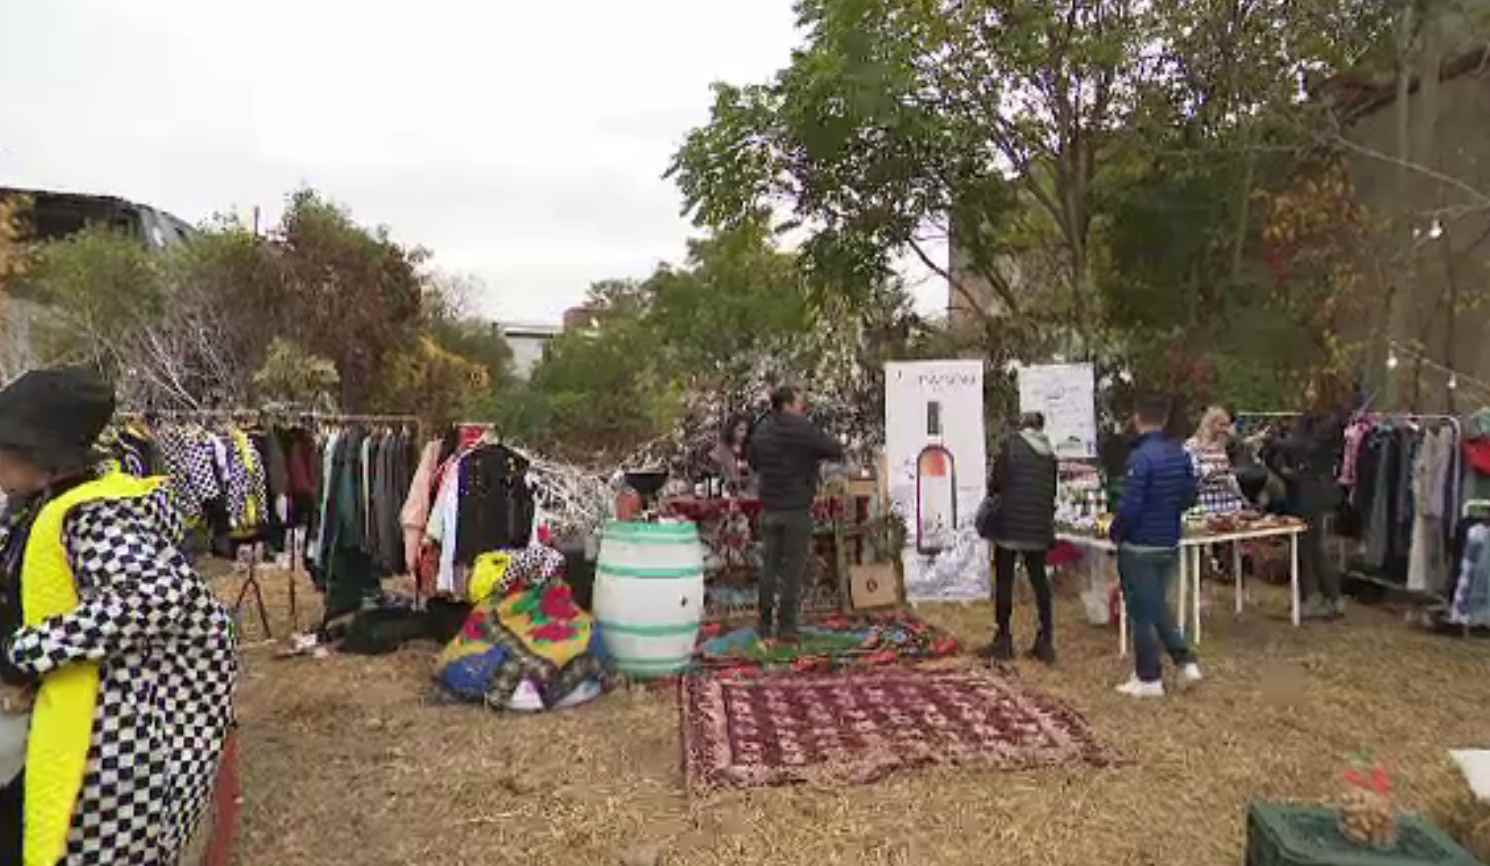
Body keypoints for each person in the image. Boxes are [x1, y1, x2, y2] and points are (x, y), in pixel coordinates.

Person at [0, 368, 238, 866]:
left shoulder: (93, 515)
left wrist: (24, 653)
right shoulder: (43, 505)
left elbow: (158, 594)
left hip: (99, 750)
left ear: (39, 452)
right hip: (63, 727)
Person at [1109, 397, 1202, 698]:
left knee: (1141, 613)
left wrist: (1116, 531)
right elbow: (1190, 496)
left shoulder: (1140, 457)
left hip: (1140, 545)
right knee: (1158, 607)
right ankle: (1185, 661)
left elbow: (1131, 505)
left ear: (1138, 419)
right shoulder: (1179, 453)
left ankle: (1149, 677)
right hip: (1168, 540)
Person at [748, 386, 844, 644]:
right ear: (789, 404)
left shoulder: (762, 428)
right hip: (796, 509)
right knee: (792, 569)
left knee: (768, 568)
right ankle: (787, 628)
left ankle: (764, 625)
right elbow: (834, 449)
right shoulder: (801, 428)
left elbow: (753, 462)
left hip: (769, 508)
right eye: (800, 401)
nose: (803, 406)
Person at [984, 412, 1058, 664]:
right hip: (1038, 527)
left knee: (1004, 578)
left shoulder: (1010, 446)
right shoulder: (1050, 455)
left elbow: (995, 484)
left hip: (1010, 525)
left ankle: (1003, 639)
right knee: (1039, 580)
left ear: (1023, 426)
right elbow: (1051, 493)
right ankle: (1046, 640)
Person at [1273, 410, 1347, 620]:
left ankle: (1322, 598)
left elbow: (1307, 447)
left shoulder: (1330, 421)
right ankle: (1319, 597)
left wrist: (1277, 442)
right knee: (1307, 545)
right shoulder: (1312, 420)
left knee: (1311, 545)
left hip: (1315, 491)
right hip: (1304, 487)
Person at [1185, 406, 1246, 515]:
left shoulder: (1222, 446)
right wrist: (1214, 472)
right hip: (1206, 506)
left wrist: (1242, 501)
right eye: (1221, 425)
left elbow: (1231, 479)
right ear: (1210, 424)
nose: (1225, 429)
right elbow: (1192, 477)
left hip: (1230, 506)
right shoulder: (1192, 446)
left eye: (1227, 425)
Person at [711, 414, 755, 496]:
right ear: (731, 429)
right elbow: (716, 477)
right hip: (727, 497)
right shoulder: (721, 449)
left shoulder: (748, 448)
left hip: (749, 496)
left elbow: (752, 476)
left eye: (746, 430)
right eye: (740, 430)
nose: (744, 434)